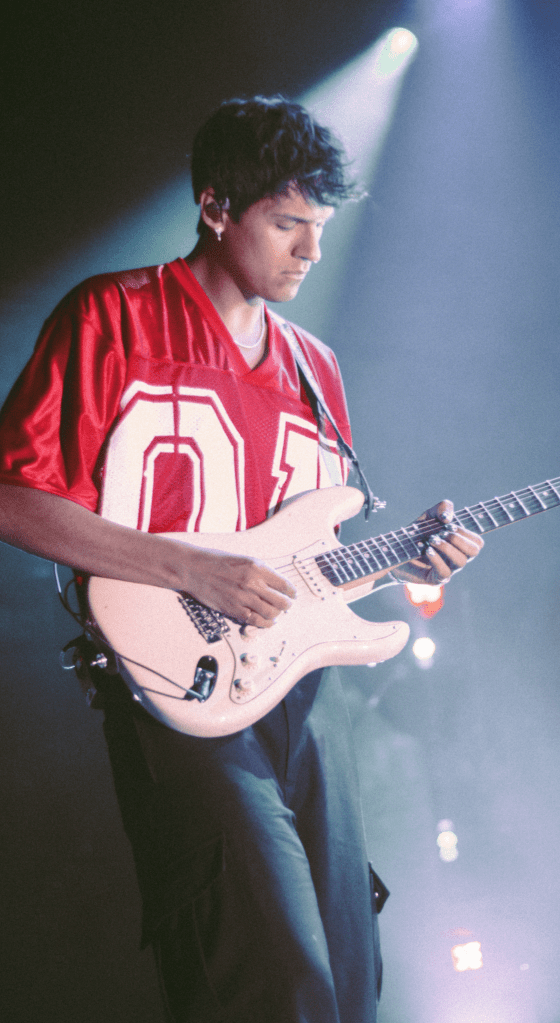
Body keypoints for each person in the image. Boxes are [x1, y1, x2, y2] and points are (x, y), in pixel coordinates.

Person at [0, 96, 483, 1022]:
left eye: (321, 226)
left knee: (350, 980)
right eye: (288, 222)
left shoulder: (316, 367)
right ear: (215, 206)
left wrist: (415, 561)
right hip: (175, 685)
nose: (311, 250)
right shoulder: (111, 315)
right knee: (272, 979)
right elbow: (15, 495)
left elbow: (310, 563)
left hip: (307, 692)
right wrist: (189, 568)